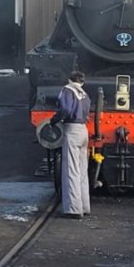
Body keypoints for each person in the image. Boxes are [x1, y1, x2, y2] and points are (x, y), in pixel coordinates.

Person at [49, 70, 91, 219]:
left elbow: (65, 109)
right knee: (82, 170)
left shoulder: (68, 90)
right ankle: (85, 206)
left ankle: (73, 209)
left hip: (72, 129)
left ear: (69, 80)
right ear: (82, 81)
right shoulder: (84, 94)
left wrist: (55, 120)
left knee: (71, 169)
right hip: (83, 130)